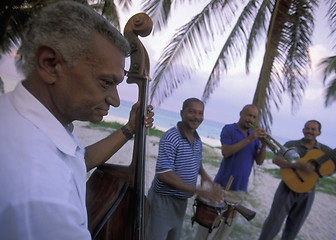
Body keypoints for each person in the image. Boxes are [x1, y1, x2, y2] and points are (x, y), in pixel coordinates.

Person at [0, 2, 154, 240]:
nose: (114, 100)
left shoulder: (15, 114)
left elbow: (78, 161)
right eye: (105, 82)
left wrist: (130, 128)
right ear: (50, 64)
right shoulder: (44, 195)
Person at [259, 120, 336, 240]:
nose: (309, 131)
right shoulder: (292, 144)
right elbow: (276, 160)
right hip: (286, 188)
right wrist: (299, 165)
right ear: (303, 130)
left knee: (293, 228)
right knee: (273, 223)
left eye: (313, 129)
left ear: (319, 133)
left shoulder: (325, 150)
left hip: (307, 192)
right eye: (307, 128)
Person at [145, 97, 224, 240]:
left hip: (181, 203)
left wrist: (206, 178)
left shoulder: (197, 139)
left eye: (200, 113)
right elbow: (164, 174)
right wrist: (198, 191)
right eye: (192, 112)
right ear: (181, 113)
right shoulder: (171, 137)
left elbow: (196, 161)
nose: (197, 117)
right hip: (162, 202)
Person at [195, 104, 268, 239]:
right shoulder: (229, 129)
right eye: (248, 115)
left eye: (254, 117)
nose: (250, 119)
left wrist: (263, 144)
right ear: (241, 114)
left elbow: (260, 161)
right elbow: (226, 152)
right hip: (222, 185)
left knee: (225, 229)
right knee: (208, 227)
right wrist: (249, 139)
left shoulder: (254, 136)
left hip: (240, 189)